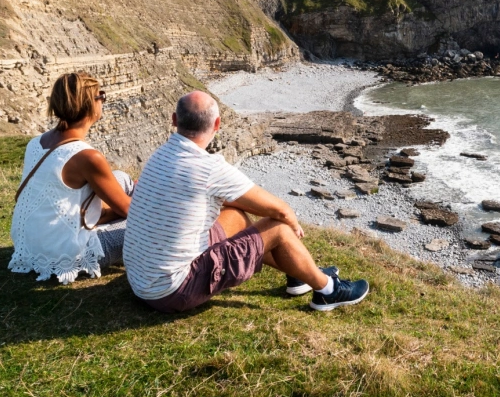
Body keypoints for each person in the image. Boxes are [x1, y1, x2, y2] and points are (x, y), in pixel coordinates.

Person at [123, 91, 370, 312]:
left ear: (174, 120)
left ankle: (300, 275)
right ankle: (327, 291)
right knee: (279, 228)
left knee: (235, 214)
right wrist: (291, 224)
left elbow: (242, 203)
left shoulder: (160, 154)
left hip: (142, 280)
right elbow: (280, 211)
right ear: (217, 124)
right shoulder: (208, 167)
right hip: (173, 291)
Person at [9, 72, 134, 284]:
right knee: (149, 227)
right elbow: (130, 211)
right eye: (100, 95)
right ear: (89, 104)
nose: (103, 100)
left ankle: (101, 217)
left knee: (120, 178)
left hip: (30, 245)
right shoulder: (86, 156)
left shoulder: (36, 143)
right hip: (65, 256)